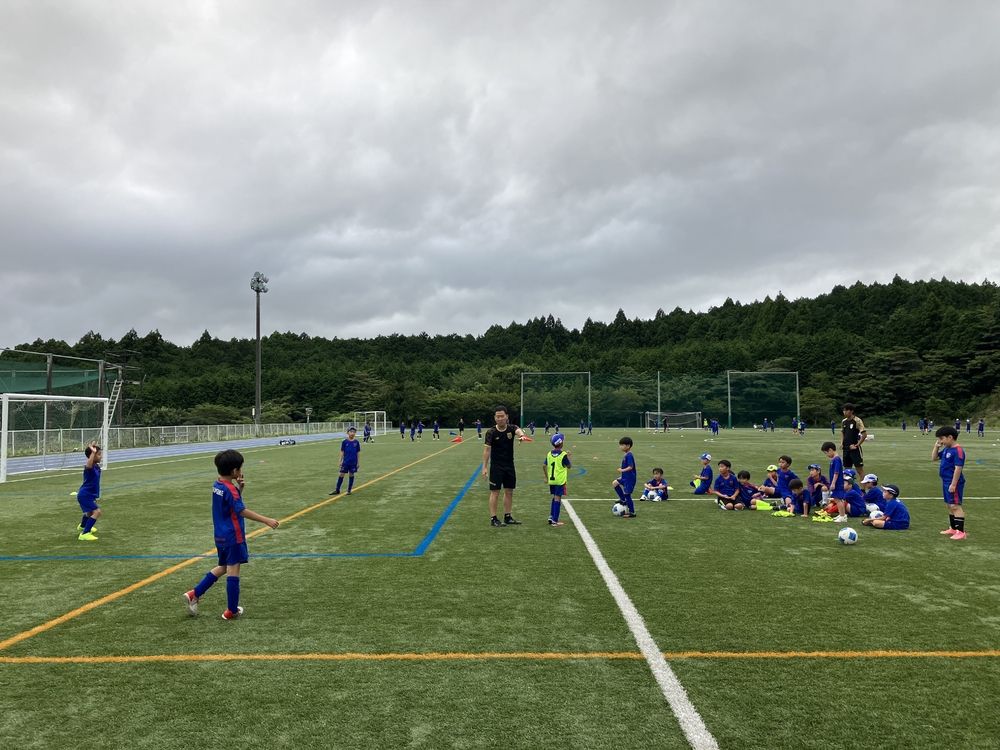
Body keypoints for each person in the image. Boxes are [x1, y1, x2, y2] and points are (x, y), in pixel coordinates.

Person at [182, 449, 279, 619]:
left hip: (220, 536)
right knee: (233, 571)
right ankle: (232, 611)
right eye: (240, 468)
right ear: (234, 471)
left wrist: (240, 488)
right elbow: (241, 510)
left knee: (223, 568)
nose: (241, 471)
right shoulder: (230, 489)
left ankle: (194, 594)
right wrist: (266, 520)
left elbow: (230, 504)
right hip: (233, 536)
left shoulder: (218, 485)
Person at [482, 406, 528, 527]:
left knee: (509, 490)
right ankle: (493, 518)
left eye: (502, 416)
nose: (500, 418)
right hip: (496, 466)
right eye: (498, 416)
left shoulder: (511, 428)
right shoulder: (491, 432)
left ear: (507, 416)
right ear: (495, 418)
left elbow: (518, 430)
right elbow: (487, 450)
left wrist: (522, 436)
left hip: (509, 464)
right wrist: (484, 467)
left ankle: (507, 516)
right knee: (495, 492)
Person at [933, 426, 967, 539]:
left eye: (942, 438)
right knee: (949, 505)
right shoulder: (947, 449)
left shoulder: (958, 451)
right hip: (946, 481)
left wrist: (953, 484)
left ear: (950, 437)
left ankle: (961, 532)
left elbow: (958, 468)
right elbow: (934, 458)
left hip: (954, 482)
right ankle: (953, 528)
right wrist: (936, 447)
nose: (941, 441)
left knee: (955, 505)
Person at [75, 442, 103, 541]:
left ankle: (83, 526)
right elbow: (88, 465)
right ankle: (85, 533)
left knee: (90, 512)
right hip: (85, 494)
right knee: (97, 512)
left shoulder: (96, 466)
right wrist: (93, 452)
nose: (101, 456)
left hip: (90, 494)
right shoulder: (90, 467)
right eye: (99, 454)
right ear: (92, 456)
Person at [543, 433, 572, 526]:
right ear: (560, 443)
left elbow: (544, 465)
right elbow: (569, 466)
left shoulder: (549, 454)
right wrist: (569, 456)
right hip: (560, 480)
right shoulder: (563, 455)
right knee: (557, 498)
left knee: (555, 497)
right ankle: (555, 520)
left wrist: (546, 477)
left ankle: (551, 516)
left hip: (552, 480)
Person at [329, 426, 361, 495]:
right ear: (348, 432)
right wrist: (340, 461)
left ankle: (349, 490)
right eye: (351, 432)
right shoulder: (344, 442)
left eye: (354, 432)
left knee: (351, 474)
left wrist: (358, 462)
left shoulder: (356, 442)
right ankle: (337, 490)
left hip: (353, 462)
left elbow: (358, 452)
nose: (352, 433)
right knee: (341, 474)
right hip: (346, 462)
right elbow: (342, 452)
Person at [822, 441, 847, 522]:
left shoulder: (837, 459)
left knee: (837, 499)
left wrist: (833, 483)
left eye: (826, 453)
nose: (827, 455)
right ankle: (842, 514)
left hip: (837, 483)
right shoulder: (835, 459)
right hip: (837, 483)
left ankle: (842, 516)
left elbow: (836, 472)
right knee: (838, 499)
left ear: (830, 450)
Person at [612, 436, 637, 517]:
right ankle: (623, 500)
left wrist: (622, 470)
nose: (621, 447)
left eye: (622, 445)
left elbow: (630, 467)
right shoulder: (626, 455)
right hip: (625, 478)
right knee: (615, 483)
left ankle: (632, 512)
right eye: (620, 445)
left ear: (628, 446)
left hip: (629, 479)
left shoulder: (629, 455)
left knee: (627, 495)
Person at [840, 403, 867, 476]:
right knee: (846, 470)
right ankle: (847, 483)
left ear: (851, 411)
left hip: (854, 449)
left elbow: (864, 435)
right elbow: (843, 433)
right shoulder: (844, 421)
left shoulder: (857, 420)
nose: (844, 412)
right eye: (843, 410)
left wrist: (857, 445)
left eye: (846, 410)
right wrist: (841, 443)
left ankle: (863, 484)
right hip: (846, 448)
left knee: (859, 470)